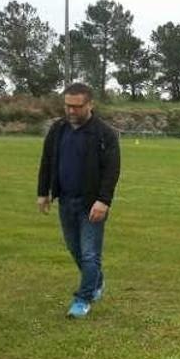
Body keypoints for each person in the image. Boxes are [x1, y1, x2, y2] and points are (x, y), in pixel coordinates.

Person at [37, 83, 121, 318]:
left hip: (92, 204)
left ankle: (83, 298)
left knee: (90, 253)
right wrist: (43, 192)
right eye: (67, 106)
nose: (71, 111)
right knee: (75, 249)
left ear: (90, 104)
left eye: (77, 107)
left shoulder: (105, 134)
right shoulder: (58, 129)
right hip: (66, 201)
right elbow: (47, 161)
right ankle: (97, 281)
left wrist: (103, 201)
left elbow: (112, 170)